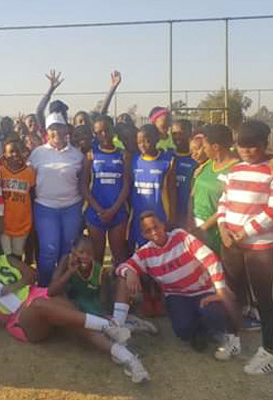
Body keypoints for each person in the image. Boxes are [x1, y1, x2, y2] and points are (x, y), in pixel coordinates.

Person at [0, 236, 150, 384]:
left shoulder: (7, 259)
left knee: (75, 321)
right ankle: (108, 325)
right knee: (41, 306)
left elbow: (31, 275)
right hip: (21, 318)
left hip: (37, 295)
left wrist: (15, 285)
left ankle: (127, 357)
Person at [217, 120, 273, 374]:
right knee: (233, 293)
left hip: (262, 246)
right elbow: (224, 200)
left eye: (253, 146)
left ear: (265, 144)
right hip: (232, 243)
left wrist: (245, 232)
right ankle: (232, 339)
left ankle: (269, 353)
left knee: (264, 299)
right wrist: (223, 227)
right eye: (242, 146)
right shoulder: (236, 169)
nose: (247, 151)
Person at [113, 211, 239, 354]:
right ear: (144, 235)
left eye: (155, 227)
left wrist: (219, 291)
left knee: (212, 315)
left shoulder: (181, 237)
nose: (154, 232)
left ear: (163, 225)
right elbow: (122, 268)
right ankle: (198, 332)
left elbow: (211, 259)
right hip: (177, 296)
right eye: (148, 231)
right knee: (182, 330)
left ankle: (217, 331)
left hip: (203, 291)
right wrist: (129, 272)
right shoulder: (145, 252)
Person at [48, 236, 157, 334]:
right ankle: (124, 324)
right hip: (73, 304)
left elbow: (104, 301)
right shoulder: (66, 261)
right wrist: (70, 272)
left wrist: (103, 314)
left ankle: (130, 324)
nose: (85, 256)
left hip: (92, 306)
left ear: (94, 254)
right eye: (81, 252)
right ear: (74, 250)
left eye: (89, 253)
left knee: (100, 322)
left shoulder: (100, 271)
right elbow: (51, 291)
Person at [29, 112, 84, 286]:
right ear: (47, 131)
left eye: (60, 127)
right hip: (45, 207)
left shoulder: (77, 155)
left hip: (71, 207)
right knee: (49, 251)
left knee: (67, 251)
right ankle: (45, 288)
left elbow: (83, 182)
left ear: (66, 130)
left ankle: (63, 288)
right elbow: (29, 181)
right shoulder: (37, 153)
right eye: (52, 128)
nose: (57, 132)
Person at [129, 124, 177, 317]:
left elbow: (171, 191)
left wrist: (171, 217)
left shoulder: (167, 161)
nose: (143, 145)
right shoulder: (133, 160)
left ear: (157, 139)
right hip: (139, 220)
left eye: (147, 140)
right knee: (144, 258)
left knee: (161, 258)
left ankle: (160, 296)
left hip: (159, 218)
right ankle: (148, 297)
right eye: (139, 141)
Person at [82, 115, 130, 267]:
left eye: (106, 130)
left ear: (113, 130)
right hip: (96, 212)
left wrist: (113, 210)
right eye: (99, 132)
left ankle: (117, 280)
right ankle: (97, 281)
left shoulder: (123, 154)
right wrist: (98, 209)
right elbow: (83, 185)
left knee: (119, 255)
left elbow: (126, 185)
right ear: (94, 134)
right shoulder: (91, 154)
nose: (103, 135)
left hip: (118, 211)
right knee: (97, 256)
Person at [189, 124, 238, 255]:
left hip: (215, 231)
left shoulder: (237, 170)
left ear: (215, 147)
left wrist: (204, 227)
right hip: (196, 227)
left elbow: (230, 205)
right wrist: (190, 220)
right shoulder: (206, 165)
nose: (204, 150)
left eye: (205, 147)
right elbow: (193, 193)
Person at [0, 138, 36, 259]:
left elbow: (32, 194)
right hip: (4, 224)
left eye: (18, 151)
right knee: (6, 256)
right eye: (11, 151)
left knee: (17, 255)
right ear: (5, 154)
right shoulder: (0, 171)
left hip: (22, 223)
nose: (15, 154)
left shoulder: (29, 172)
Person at [171, 119, 197, 228]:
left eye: (180, 133)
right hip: (170, 216)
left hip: (189, 215)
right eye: (174, 133)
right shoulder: (167, 157)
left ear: (190, 133)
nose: (177, 137)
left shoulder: (196, 159)